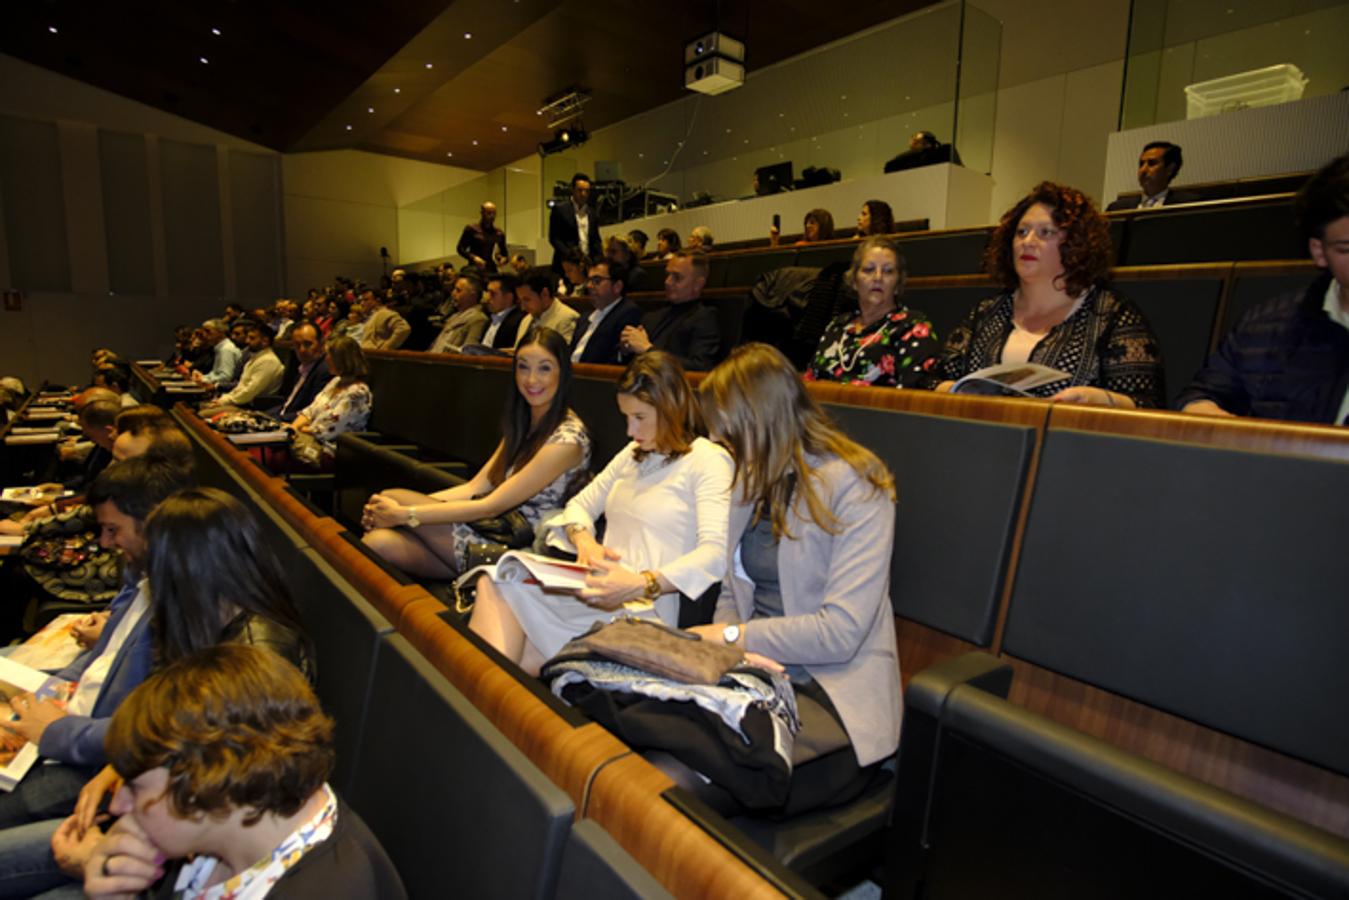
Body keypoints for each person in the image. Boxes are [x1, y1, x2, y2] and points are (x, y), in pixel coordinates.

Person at [0, 488, 317, 898]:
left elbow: (221, 791)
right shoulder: (214, 620)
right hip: (161, 813)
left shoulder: (255, 659)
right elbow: (177, 735)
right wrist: (118, 771)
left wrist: (104, 852)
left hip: (178, 841)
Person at [682, 342, 900, 814]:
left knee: (676, 782)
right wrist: (731, 651)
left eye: (728, 434)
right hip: (757, 676)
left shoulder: (856, 483)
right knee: (651, 753)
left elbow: (840, 633)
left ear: (762, 421)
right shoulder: (752, 477)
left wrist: (733, 637)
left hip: (831, 693)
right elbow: (732, 587)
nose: (720, 444)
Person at [469, 352, 732, 675]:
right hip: (599, 594)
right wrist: (585, 542)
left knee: (506, 638)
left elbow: (714, 554)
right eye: (626, 417)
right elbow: (579, 506)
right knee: (496, 582)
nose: (631, 429)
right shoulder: (634, 453)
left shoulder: (707, 460)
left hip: (646, 609)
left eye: (639, 417)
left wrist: (641, 583)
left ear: (671, 407)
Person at [78, 644, 405, 899]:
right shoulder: (223, 824)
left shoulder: (326, 889)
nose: (118, 805)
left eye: (135, 787)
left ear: (203, 781)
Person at [0, 458, 194, 831]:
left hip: (85, 761)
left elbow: (152, 731)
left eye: (112, 530)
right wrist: (47, 691)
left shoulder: (181, 607)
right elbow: (100, 660)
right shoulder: (141, 575)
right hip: (68, 722)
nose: (105, 542)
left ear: (153, 524)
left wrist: (53, 728)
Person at [361, 328, 591, 578]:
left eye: (544, 368)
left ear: (562, 373)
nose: (531, 379)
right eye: (523, 367)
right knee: (378, 541)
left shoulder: (568, 440)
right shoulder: (523, 423)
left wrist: (405, 514)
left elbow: (490, 506)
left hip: (515, 550)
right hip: (487, 529)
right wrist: (391, 512)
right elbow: (475, 487)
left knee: (394, 498)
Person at [936, 181, 1166, 408]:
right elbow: (931, 380)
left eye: (1045, 232)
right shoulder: (987, 311)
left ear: (1075, 244)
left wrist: (1100, 401)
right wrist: (956, 392)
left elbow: (1148, 405)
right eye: (1021, 232)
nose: (1027, 242)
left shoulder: (1111, 314)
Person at [1177, 154, 1349, 424]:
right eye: (1346, 249)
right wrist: (1207, 414)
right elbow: (1203, 394)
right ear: (1319, 251)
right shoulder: (1266, 326)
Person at [804, 237, 940, 388]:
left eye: (888, 271)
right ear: (854, 281)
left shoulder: (912, 327)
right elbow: (810, 381)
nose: (878, 277)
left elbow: (915, 392)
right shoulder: (837, 325)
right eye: (869, 269)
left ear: (897, 285)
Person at [620, 250, 722, 371]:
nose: (667, 282)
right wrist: (626, 348)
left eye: (677, 277)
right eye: (667, 275)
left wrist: (648, 350)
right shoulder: (651, 317)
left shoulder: (704, 318)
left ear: (698, 284)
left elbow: (700, 367)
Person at [288, 335, 373, 469]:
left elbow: (326, 431)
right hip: (306, 440)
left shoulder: (358, 393)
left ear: (342, 360)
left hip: (330, 451)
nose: (326, 359)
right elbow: (309, 411)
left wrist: (296, 430)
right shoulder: (335, 381)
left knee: (269, 457)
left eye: (329, 355)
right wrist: (293, 428)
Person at [571, 258, 644, 365]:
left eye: (596, 281)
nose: (589, 286)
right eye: (589, 280)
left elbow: (618, 359)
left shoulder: (628, 313)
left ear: (617, 286)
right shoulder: (584, 317)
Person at [201, 321, 284, 412]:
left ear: (265, 341)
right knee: (202, 407)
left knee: (203, 413)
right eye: (247, 337)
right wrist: (224, 399)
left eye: (252, 338)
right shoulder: (256, 358)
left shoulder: (268, 361)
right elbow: (241, 387)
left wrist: (225, 401)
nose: (247, 341)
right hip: (241, 403)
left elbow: (250, 391)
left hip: (253, 408)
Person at [1106, 141, 1198, 211]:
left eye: (1152, 163)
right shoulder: (1117, 208)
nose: (1143, 170)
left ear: (1170, 169)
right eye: (1141, 164)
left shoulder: (1188, 206)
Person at [269, 322, 331, 423]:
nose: (302, 350)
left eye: (308, 344)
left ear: (321, 343)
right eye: (297, 345)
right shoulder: (301, 367)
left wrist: (277, 419)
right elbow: (288, 404)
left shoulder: (325, 371)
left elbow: (311, 411)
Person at [548, 173, 601, 273]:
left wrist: (598, 260)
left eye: (587, 191)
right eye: (580, 190)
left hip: (587, 266)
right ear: (572, 190)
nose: (583, 194)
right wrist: (571, 256)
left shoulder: (592, 213)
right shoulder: (560, 210)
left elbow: (595, 239)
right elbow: (554, 238)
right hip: (565, 265)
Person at [427, 274, 489, 353]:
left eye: (458, 290)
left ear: (472, 295)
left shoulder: (478, 319)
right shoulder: (454, 316)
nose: (453, 293)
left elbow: (468, 352)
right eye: (454, 289)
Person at [517, 267, 580, 344]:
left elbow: (562, 351)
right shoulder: (526, 320)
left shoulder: (567, 319)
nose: (523, 307)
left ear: (545, 294)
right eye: (520, 301)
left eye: (527, 300)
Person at [481, 274, 528, 351]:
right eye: (487, 293)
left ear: (508, 297)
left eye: (493, 294)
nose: (487, 298)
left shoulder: (519, 321)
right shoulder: (489, 319)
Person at [457, 201, 509, 273]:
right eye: (489, 213)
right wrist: (474, 258)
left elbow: (505, 254)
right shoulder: (471, 229)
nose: (492, 216)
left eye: (494, 213)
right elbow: (460, 248)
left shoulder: (499, 233)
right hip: (475, 268)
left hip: (491, 269)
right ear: (482, 213)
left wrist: (503, 259)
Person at [189, 319, 241, 387]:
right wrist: (203, 377)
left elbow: (226, 377)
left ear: (220, 332)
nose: (204, 334)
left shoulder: (226, 349)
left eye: (207, 331)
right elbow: (216, 373)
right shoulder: (220, 348)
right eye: (203, 331)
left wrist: (203, 379)